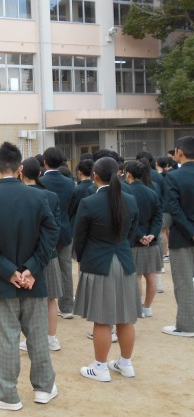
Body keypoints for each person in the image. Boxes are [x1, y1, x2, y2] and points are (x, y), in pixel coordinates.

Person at [0, 142, 59, 410]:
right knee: (38, 335)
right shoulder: (38, 197)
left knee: (6, 337)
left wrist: (8, 271)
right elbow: (51, 233)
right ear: (20, 168)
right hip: (33, 280)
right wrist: (32, 268)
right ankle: (44, 388)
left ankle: (8, 393)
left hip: (1, 280)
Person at [74, 157, 141, 382]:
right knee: (125, 318)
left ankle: (100, 367)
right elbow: (132, 232)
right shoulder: (130, 200)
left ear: (95, 175)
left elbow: (80, 237)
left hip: (98, 262)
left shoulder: (89, 202)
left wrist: (81, 258)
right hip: (124, 261)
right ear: (119, 173)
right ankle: (125, 363)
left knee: (102, 319)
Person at [18, 158, 64, 352]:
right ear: (39, 173)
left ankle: (32, 339)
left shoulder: (19, 194)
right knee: (50, 299)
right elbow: (56, 228)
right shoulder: (51, 196)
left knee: (29, 301)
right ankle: (51, 338)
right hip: (48, 253)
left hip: (26, 257)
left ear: (21, 172)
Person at [163, 136, 194, 337]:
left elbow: (174, 209)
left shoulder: (173, 177)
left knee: (184, 282)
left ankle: (186, 325)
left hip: (182, 237)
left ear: (179, 152)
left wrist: (191, 232)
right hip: (185, 234)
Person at [39, 147, 76, 319]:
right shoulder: (70, 182)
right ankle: (67, 307)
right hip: (65, 229)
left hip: (44, 232)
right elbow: (72, 206)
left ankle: (46, 304)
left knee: (44, 268)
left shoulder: (40, 182)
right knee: (65, 268)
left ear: (44, 162)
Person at [124, 160, 162, 318]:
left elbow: (129, 218)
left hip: (134, 240)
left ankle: (137, 307)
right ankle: (147, 307)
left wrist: (140, 235)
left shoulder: (126, 192)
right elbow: (158, 217)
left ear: (129, 174)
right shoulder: (152, 192)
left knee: (137, 275)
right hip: (152, 240)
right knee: (150, 275)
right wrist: (152, 234)